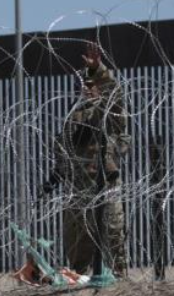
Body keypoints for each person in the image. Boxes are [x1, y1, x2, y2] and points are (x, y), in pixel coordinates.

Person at [41, 43, 130, 276]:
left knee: (112, 231)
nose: (88, 90)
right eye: (84, 86)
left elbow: (115, 96)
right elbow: (63, 149)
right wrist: (55, 177)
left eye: (93, 86)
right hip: (76, 185)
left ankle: (119, 275)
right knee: (77, 239)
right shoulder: (71, 117)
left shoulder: (107, 111)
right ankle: (79, 277)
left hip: (104, 182)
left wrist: (99, 70)